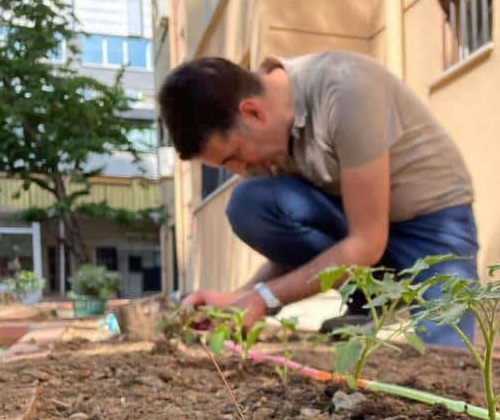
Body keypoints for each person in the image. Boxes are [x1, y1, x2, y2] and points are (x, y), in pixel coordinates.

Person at [157, 51, 478, 346]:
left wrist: (263, 298)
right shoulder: (269, 145)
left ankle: (375, 295)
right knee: (250, 203)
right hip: (361, 233)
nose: (240, 170)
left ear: (252, 112)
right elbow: (296, 248)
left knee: (447, 356)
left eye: (234, 156)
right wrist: (237, 299)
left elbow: (367, 243)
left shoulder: (346, 90)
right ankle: (369, 297)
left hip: (433, 227)